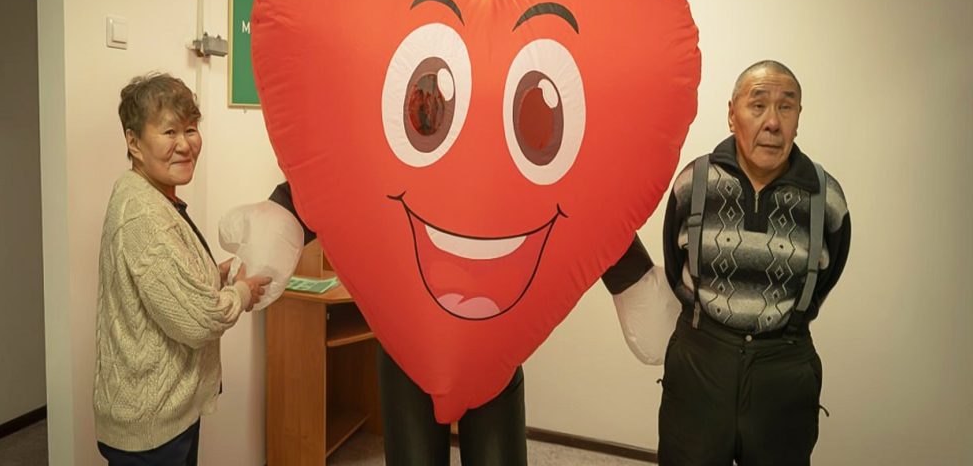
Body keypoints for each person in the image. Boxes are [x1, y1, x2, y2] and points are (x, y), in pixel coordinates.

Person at [264, 182, 652, 465]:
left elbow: (581, 186)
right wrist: (282, 214)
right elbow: (343, 166)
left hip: (492, 345)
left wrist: (632, 275)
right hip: (410, 341)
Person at [657, 60, 851, 465]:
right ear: (732, 115)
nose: (772, 123)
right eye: (758, 105)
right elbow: (676, 265)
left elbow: (828, 275)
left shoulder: (827, 198)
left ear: (798, 118)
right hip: (700, 362)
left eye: (786, 107)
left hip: (784, 367)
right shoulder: (693, 183)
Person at [94, 73, 272, 465]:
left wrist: (219, 274)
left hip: (166, 415)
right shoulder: (143, 215)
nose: (185, 144)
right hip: (150, 429)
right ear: (134, 142)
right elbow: (197, 321)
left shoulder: (148, 194)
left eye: (191, 129)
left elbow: (164, 282)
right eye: (169, 131)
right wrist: (242, 292)